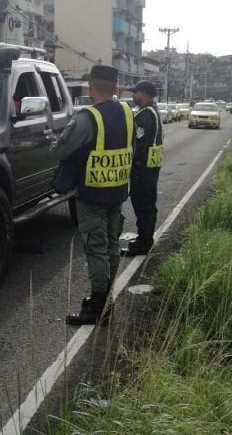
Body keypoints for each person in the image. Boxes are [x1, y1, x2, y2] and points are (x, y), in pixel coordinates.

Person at [50, 64, 134, 326]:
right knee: (110, 246)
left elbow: (60, 151)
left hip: (93, 194)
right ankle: (105, 299)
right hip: (117, 190)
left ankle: (98, 308)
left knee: (96, 249)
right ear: (116, 87)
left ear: (90, 87)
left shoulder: (88, 118)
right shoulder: (127, 112)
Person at [123, 81, 163, 256]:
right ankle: (145, 240)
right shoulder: (152, 112)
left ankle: (143, 244)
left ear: (144, 93)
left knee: (143, 207)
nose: (133, 96)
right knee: (147, 206)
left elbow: (139, 144)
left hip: (143, 169)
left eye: (136, 92)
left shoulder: (145, 115)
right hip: (150, 168)